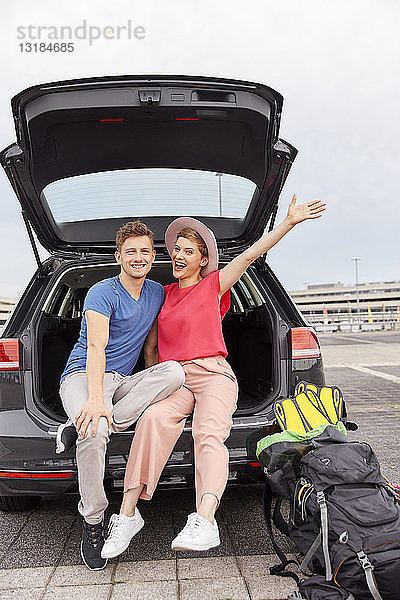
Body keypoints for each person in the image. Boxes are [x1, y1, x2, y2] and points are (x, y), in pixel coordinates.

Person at [101, 194, 326, 558]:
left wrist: (288, 222)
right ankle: (127, 515)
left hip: (213, 374)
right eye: (176, 249)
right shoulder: (163, 294)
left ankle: (205, 519)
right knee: (153, 421)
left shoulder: (213, 286)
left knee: (208, 433)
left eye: (189, 251)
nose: (178, 255)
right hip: (174, 378)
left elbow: (250, 255)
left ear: (203, 260)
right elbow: (151, 349)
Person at [56, 220, 185, 570]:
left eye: (144, 251)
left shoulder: (157, 292)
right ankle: (94, 521)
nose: (138, 257)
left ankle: (82, 424)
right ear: (119, 256)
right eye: (131, 252)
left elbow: (151, 347)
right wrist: (96, 401)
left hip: (123, 381)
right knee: (94, 431)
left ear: (153, 255)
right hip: (83, 377)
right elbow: (96, 347)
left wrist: (152, 383)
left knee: (174, 372)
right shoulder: (102, 292)